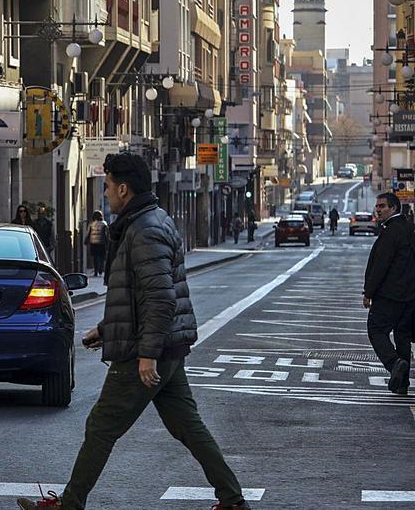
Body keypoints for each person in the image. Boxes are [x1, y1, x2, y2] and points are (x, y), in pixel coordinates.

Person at [17, 152, 250, 510]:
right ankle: (232, 500)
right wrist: (108, 328)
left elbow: (159, 299)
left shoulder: (144, 229)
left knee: (100, 427)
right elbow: (139, 296)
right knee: (187, 426)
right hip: (166, 346)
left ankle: (70, 504)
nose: (106, 194)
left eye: (108, 187)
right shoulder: (147, 221)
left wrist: (146, 355)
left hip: (149, 350)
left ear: (123, 189)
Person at [363, 192, 415, 396]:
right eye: (377, 206)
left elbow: (381, 265)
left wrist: (368, 292)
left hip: (389, 294)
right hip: (410, 295)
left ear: (393, 208)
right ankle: (402, 384)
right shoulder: (410, 228)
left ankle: (394, 364)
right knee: (403, 335)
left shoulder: (391, 231)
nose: (378, 209)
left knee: (376, 330)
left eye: (382, 206)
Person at [87, 211, 109, 277]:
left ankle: (96, 271)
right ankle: (100, 269)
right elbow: (107, 233)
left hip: (93, 243)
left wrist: (88, 240)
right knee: (102, 257)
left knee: (95, 257)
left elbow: (89, 233)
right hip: (101, 243)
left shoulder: (91, 224)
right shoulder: (104, 223)